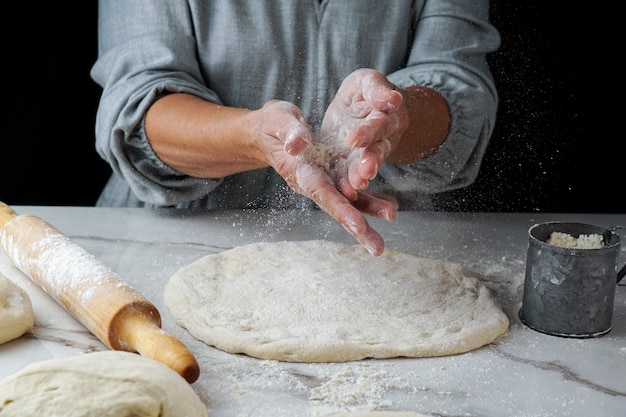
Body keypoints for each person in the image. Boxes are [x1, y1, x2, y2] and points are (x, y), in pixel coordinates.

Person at [90, 1, 500, 256]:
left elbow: (460, 88)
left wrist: (395, 118)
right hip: (175, 244)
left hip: (384, 251)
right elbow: (140, 106)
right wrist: (256, 136)